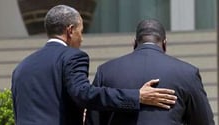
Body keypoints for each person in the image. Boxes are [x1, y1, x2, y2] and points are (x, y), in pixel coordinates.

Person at [11, 5, 177, 125]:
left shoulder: (22, 67)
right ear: (70, 30)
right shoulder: (72, 56)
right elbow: (84, 94)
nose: (82, 39)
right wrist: (137, 96)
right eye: (80, 31)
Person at [85, 19, 215, 125]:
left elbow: (93, 121)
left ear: (134, 43)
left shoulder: (106, 71)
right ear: (165, 43)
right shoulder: (188, 73)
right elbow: (204, 121)